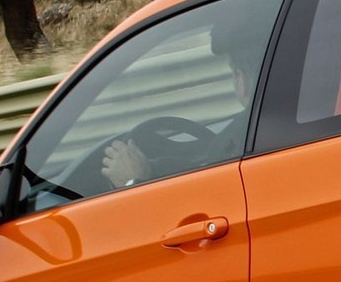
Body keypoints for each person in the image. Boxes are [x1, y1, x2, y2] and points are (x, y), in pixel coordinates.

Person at [96, 23, 261, 192]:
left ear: (241, 80)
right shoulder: (268, 132)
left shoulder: (242, 140)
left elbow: (208, 204)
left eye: (232, 73)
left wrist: (134, 181)